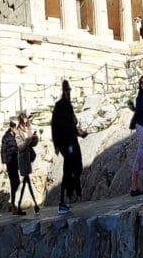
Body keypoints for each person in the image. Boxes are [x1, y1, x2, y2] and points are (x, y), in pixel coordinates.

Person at [52, 80, 88, 215]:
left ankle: (71, 192)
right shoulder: (60, 105)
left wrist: (80, 133)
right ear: (63, 91)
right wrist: (56, 145)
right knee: (68, 169)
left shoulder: (68, 106)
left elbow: (71, 125)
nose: (68, 92)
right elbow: (54, 126)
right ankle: (64, 199)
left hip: (72, 141)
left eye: (69, 90)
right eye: (66, 90)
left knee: (77, 166)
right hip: (66, 144)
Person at [15, 112, 40, 215]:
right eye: (23, 122)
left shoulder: (29, 128)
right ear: (20, 122)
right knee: (27, 182)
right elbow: (20, 147)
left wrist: (34, 138)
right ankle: (35, 205)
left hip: (29, 157)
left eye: (26, 121)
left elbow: (33, 144)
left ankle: (20, 205)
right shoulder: (18, 132)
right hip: (23, 158)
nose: (25, 124)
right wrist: (27, 141)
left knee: (26, 182)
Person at [0, 120, 21, 215]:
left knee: (16, 182)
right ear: (12, 128)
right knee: (14, 182)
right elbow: (3, 150)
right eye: (17, 128)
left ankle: (14, 203)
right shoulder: (6, 137)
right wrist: (4, 163)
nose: (18, 130)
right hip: (10, 162)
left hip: (16, 162)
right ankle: (13, 205)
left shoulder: (15, 136)